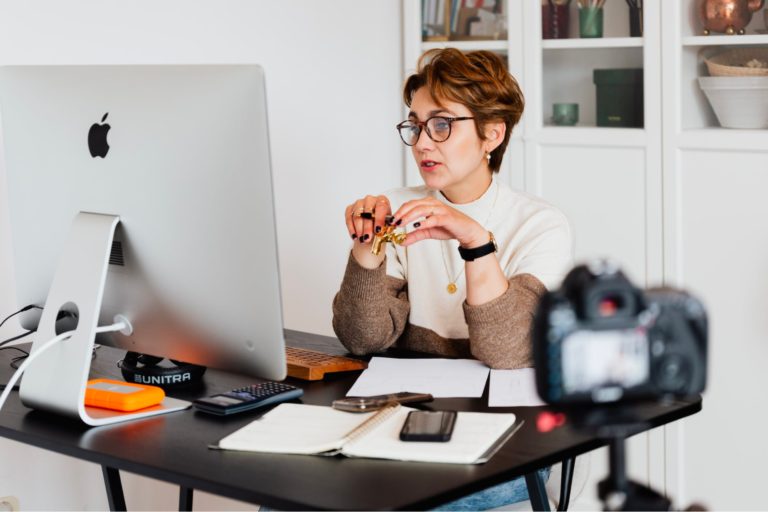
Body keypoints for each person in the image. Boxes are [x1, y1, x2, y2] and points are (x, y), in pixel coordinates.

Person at [331, 48, 574, 511]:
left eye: (441, 124)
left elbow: (507, 353)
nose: (423, 142)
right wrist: (366, 250)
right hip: (406, 425)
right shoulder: (398, 209)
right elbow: (363, 338)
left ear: (492, 134)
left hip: (511, 442)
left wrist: (475, 242)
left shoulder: (541, 224)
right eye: (416, 125)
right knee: (289, 496)